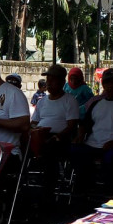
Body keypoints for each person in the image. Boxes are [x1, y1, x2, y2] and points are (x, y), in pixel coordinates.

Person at [66, 68, 113, 197]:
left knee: (111, 158)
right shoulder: (96, 104)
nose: (110, 86)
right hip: (93, 144)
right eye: (107, 83)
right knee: (74, 150)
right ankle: (82, 190)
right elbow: (85, 124)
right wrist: (79, 135)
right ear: (103, 85)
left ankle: (108, 193)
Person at [30, 64, 79, 200]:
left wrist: (56, 137)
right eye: (48, 80)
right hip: (40, 135)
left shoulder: (69, 100)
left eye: (53, 80)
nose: (49, 83)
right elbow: (34, 122)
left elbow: (71, 126)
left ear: (62, 82)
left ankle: (48, 192)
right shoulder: (42, 102)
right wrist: (33, 130)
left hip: (60, 138)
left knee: (50, 151)